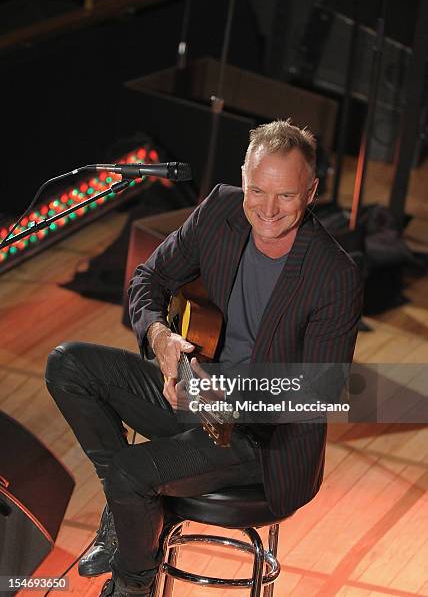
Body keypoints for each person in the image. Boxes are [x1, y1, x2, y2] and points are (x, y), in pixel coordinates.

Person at [45, 120, 363, 597]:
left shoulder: (333, 275)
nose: (268, 210)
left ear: (312, 191)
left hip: (260, 440)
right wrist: (159, 338)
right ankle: (127, 513)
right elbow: (147, 279)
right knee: (67, 364)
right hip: (191, 390)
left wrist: (224, 395)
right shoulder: (220, 208)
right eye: (257, 190)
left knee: (131, 473)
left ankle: (133, 583)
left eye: (287, 197)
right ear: (243, 177)